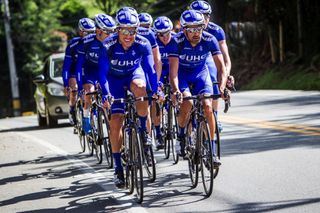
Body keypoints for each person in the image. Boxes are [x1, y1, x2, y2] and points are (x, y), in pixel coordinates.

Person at [98, 9, 159, 188]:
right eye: (124, 30)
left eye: (132, 31)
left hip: (134, 73)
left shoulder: (143, 43)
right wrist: (106, 94)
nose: (128, 35)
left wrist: (155, 90)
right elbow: (102, 74)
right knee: (116, 119)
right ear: (117, 30)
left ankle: (143, 132)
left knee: (141, 89)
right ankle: (117, 168)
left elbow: (150, 69)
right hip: (113, 80)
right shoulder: (107, 45)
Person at [167, 10, 227, 166]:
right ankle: (181, 136)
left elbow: (221, 68)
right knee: (187, 103)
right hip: (182, 75)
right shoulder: (176, 41)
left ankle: (211, 150)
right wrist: (176, 90)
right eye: (192, 29)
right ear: (184, 29)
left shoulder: (209, 39)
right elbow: (173, 73)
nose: (196, 33)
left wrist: (221, 86)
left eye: (199, 28)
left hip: (201, 74)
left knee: (208, 107)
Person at [190, 0, 232, 132]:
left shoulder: (217, 31)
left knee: (214, 74)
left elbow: (225, 59)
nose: (204, 19)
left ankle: (214, 114)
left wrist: (226, 76)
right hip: (192, 61)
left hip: (210, 58)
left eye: (206, 15)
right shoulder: (188, 29)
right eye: (199, 15)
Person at [76, 14, 116, 134]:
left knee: (110, 96)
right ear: (98, 30)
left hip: (105, 72)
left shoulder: (113, 41)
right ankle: (86, 116)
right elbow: (79, 65)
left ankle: (111, 126)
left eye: (112, 31)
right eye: (107, 32)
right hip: (90, 72)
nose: (110, 35)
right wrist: (79, 86)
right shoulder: (86, 42)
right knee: (89, 91)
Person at [62, 18, 95, 125]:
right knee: (75, 89)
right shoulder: (73, 44)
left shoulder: (96, 43)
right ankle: (72, 109)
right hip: (74, 70)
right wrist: (66, 84)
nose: (90, 35)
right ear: (80, 32)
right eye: (87, 33)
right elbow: (66, 66)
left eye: (92, 32)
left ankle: (94, 113)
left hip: (89, 70)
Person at [152, 16, 175, 149]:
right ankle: (158, 132)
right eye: (161, 34)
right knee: (156, 99)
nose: (165, 37)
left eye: (167, 33)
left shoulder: (176, 39)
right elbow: (154, 63)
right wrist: (156, 84)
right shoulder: (153, 41)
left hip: (173, 69)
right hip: (159, 71)